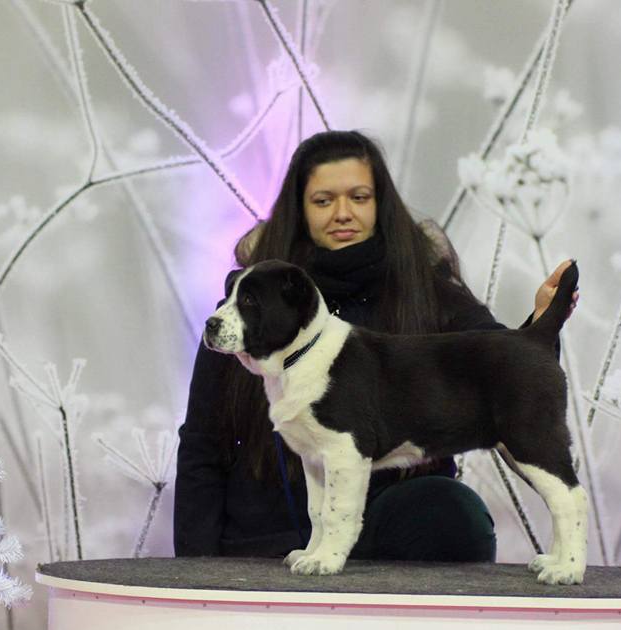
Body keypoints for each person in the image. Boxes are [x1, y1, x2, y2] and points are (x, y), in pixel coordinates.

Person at [173, 130, 576, 562]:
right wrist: (196, 568)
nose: (342, 213)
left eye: (359, 197)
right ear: (299, 210)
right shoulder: (246, 308)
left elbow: (502, 367)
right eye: (323, 201)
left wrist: (542, 324)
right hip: (263, 537)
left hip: (392, 524)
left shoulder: (427, 289)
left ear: (380, 204)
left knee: (450, 512)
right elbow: (202, 443)